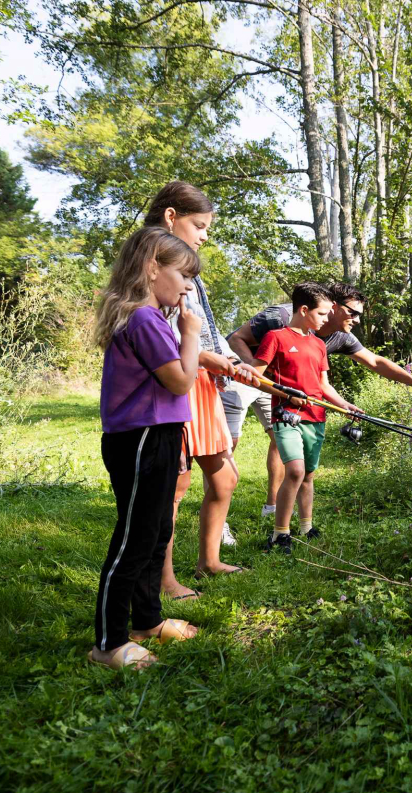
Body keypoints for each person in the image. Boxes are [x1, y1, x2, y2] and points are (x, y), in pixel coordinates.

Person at [223, 282, 412, 518]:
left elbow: (375, 361)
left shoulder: (339, 337)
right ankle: (220, 514)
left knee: (282, 439)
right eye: (353, 312)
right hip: (242, 373)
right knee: (228, 444)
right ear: (333, 307)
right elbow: (236, 338)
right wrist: (260, 374)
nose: (357, 319)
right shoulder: (282, 317)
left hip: (284, 387)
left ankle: (272, 507)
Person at [89, 227, 201, 671]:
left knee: (157, 533)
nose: (189, 286)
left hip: (160, 434)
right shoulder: (142, 318)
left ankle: (146, 621)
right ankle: (108, 642)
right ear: (153, 267)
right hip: (139, 440)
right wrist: (191, 333)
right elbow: (179, 379)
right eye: (184, 275)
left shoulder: (152, 318)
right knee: (133, 540)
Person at [144, 182, 258, 602]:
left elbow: (204, 326)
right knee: (174, 487)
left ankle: (208, 560)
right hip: (177, 386)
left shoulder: (186, 265)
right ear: (171, 216)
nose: (205, 234)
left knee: (225, 477)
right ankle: (165, 579)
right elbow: (158, 334)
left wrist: (233, 361)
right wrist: (210, 359)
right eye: (200, 224)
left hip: (205, 386)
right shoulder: (152, 263)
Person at [250, 282, 362, 553]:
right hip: (286, 415)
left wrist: (346, 405)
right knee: (296, 471)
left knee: (308, 475)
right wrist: (285, 394)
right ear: (303, 309)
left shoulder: (318, 345)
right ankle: (280, 534)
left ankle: (305, 527)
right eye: (323, 314)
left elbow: (324, 386)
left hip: (316, 416)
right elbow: (255, 376)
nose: (326, 319)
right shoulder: (275, 337)